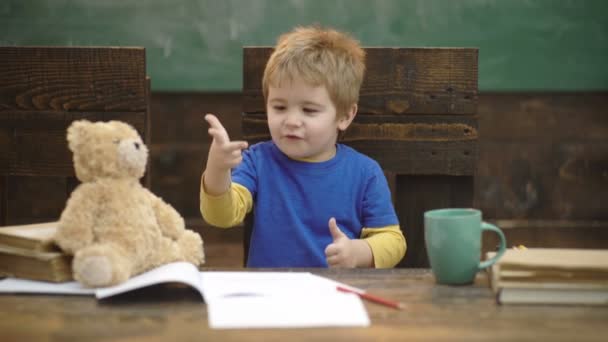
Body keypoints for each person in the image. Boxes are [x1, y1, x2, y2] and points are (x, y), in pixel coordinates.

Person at [200, 25, 406, 268]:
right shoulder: (257, 161)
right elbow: (221, 216)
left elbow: (393, 240)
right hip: (270, 296)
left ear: (344, 116)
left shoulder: (365, 173)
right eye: (279, 107)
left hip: (334, 296)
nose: (291, 121)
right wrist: (217, 168)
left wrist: (358, 252)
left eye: (308, 110)